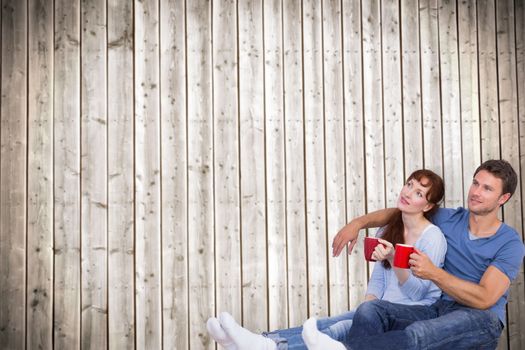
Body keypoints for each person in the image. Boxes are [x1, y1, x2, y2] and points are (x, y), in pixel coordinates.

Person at [207, 169, 448, 349]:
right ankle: (262, 340)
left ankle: (269, 347)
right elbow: (378, 282)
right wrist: (366, 306)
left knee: (339, 328)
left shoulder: (433, 238)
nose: (407, 192)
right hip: (380, 308)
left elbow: (419, 295)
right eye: (409, 184)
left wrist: (396, 260)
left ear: (427, 205)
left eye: (418, 193)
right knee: (326, 323)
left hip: (416, 311)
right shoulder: (387, 230)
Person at [330, 159, 525, 349]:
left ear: (503, 198)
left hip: (481, 319)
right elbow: (401, 212)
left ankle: (343, 348)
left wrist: (433, 273)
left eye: (487, 188)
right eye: (475, 183)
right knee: (370, 310)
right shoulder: (449, 218)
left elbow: (485, 298)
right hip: (438, 310)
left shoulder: (510, 243)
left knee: (421, 332)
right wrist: (357, 224)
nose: (476, 192)